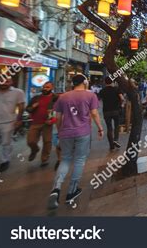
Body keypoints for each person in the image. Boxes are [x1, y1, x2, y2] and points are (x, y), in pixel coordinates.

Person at [48, 74, 104, 210]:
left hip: (66, 133)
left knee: (65, 160)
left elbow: (58, 117)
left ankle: (56, 188)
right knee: (79, 160)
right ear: (84, 82)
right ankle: (72, 191)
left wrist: (60, 131)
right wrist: (100, 128)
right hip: (82, 132)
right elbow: (95, 113)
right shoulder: (90, 96)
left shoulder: (63, 97)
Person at [0, 77, 25, 173]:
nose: (4, 83)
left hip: (8, 122)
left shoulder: (18, 92)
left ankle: (5, 161)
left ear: (11, 82)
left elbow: (21, 106)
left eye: (7, 81)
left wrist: (19, 120)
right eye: (2, 81)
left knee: (6, 142)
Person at [26, 81, 59, 167]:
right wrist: (33, 107)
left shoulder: (56, 98)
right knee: (30, 141)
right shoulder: (36, 98)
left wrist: (53, 119)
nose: (45, 88)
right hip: (35, 122)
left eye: (47, 87)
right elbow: (28, 109)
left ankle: (44, 159)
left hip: (47, 123)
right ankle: (35, 150)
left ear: (52, 88)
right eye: (44, 87)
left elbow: (60, 110)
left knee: (47, 141)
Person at [98, 77, 124, 151]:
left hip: (106, 111)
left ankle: (111, 146)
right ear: (112, 82)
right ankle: (116, 139)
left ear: (105, 82)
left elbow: (98, 100)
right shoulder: (116, 89)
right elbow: (122, 98)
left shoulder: (102, 91)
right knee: (116, 126)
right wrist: (121, 104)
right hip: (116, 110)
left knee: (109, 128)